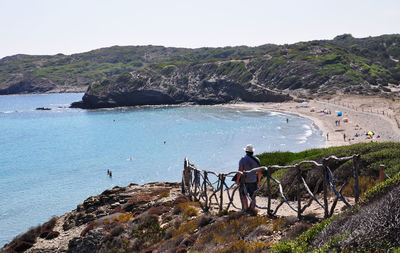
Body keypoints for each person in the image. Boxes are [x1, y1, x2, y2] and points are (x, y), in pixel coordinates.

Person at [236, 144, 261, 211]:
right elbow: (259, 172)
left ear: (246, 151)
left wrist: (237, 180)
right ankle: (252, 210)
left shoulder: (243, 159)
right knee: (253, 196)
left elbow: (240, 170)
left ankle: (246, 209)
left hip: (245, 181)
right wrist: (259, 181)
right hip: (253, 180)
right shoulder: (257, 159)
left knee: (244, 195)